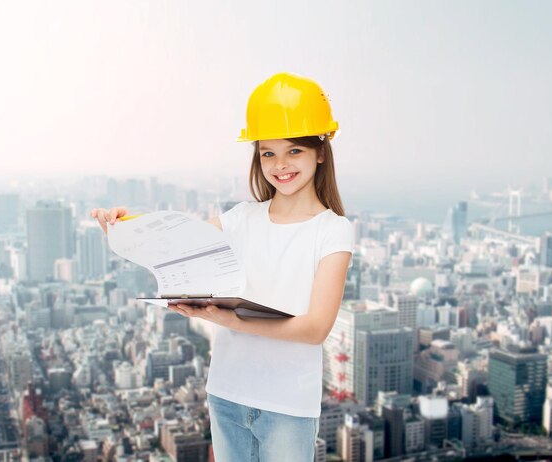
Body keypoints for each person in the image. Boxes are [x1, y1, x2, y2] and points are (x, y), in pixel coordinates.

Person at [91, 72, 354, 461]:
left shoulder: (333, 231)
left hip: (288, 408)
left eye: (293, 151)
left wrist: (231, 321)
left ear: (320, 150)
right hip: (227, 394)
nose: (280, 164)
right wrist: (127, 223)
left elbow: (315, 329)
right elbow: (180, 242)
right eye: (268, 153)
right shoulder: (241, 218)